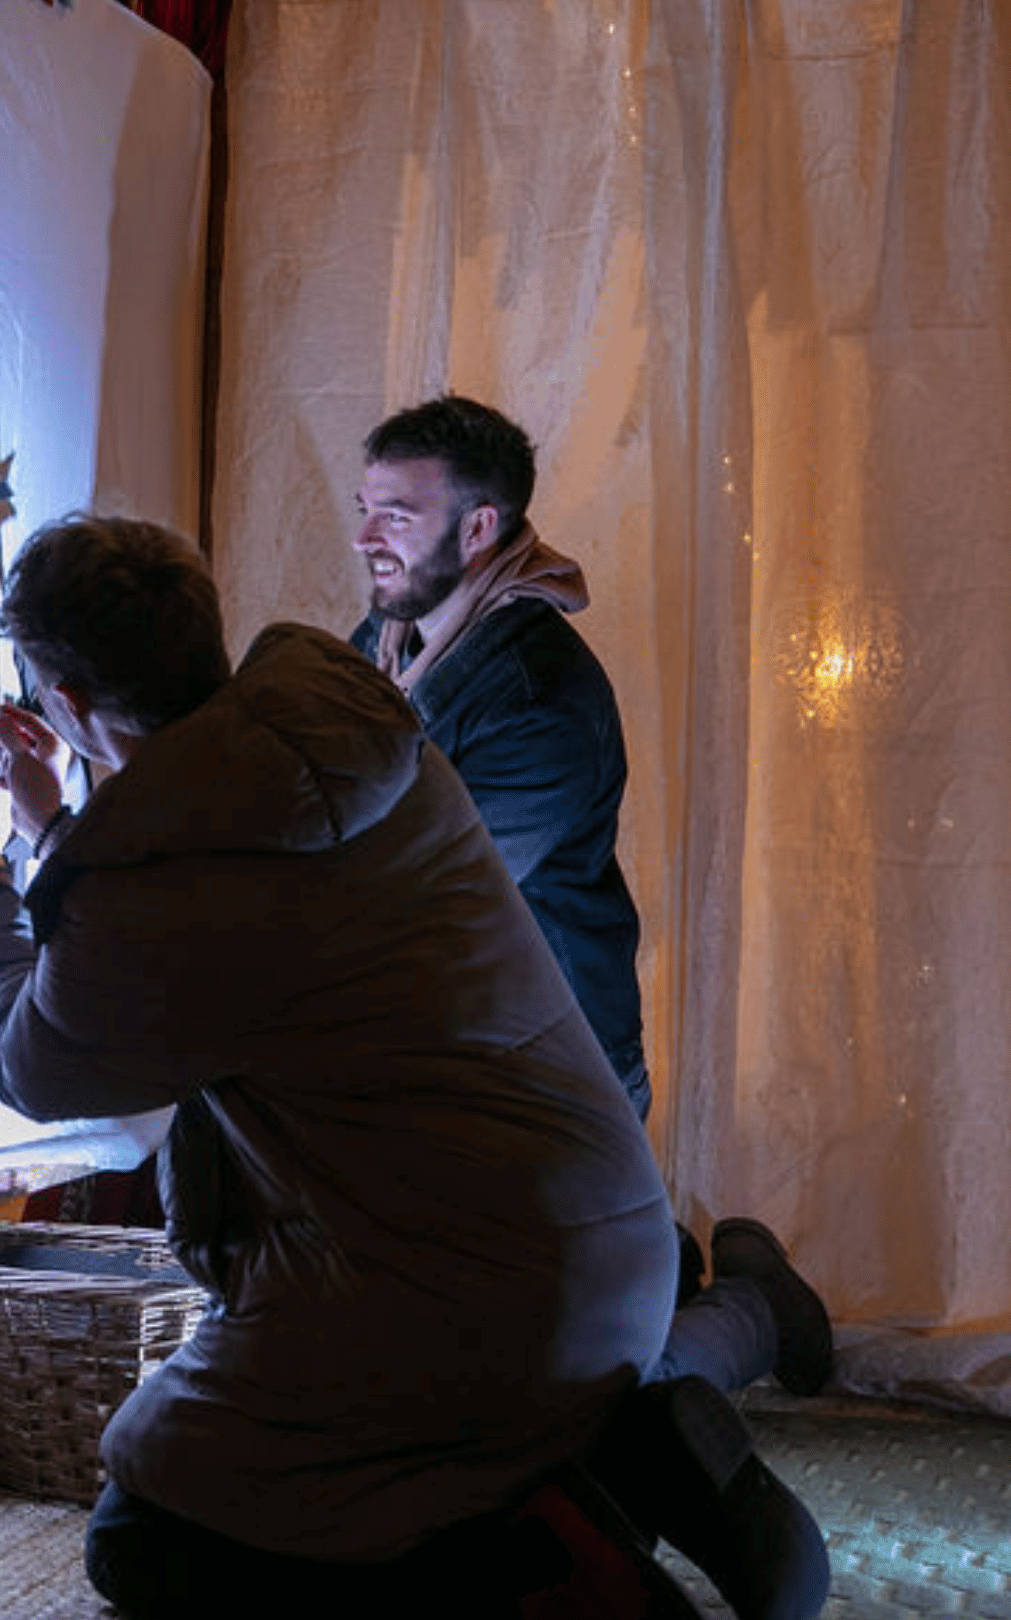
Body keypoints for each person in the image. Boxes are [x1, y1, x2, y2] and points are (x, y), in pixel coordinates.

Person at [0, 515, 827, 1618]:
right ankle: (627, 1428)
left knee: (148, 1533)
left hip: (462, 1299)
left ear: (64, 705)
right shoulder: (347, 725)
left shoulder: (171, 889)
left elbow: (34, 1056)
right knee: (461, 1406)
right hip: (615, 1230)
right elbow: (200, 915)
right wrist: (55, 824)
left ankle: (558, 1572)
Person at [346, 394, 833, 1401]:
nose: (365, 537)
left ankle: (752, 1313)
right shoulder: (379, 645)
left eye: (395, 512)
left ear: (478, 528)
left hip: (551, 1067)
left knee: (579, 1390)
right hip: (439, 1055)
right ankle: (663, 1263)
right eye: (365, 507)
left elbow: (417, 894)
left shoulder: (537, 694)